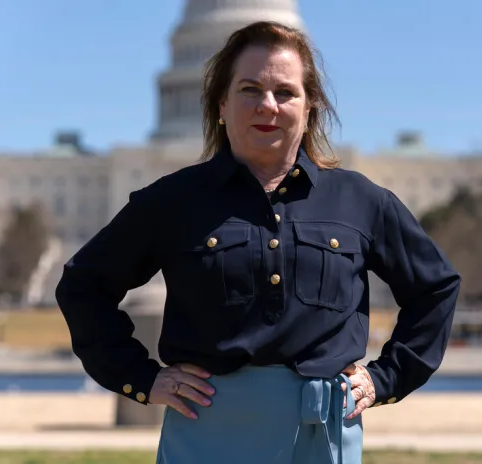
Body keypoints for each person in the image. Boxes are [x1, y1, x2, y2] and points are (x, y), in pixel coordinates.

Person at [56, 21, 461, 463]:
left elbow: (435, 287)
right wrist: (141, 377)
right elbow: (83, 285)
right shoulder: (173, 201)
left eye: (285, 92)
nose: (267, 105)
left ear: (310, 108)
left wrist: (387, 378)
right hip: (207, 432)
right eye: (250, 89)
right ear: (221, 105)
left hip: (321, 435)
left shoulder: (360, 201)